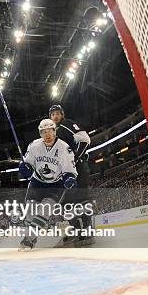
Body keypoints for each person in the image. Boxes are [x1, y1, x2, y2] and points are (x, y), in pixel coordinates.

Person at [18, 118, 77, 250]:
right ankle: (33, 236)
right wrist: (24, 168)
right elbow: (28, 164)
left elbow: (70, 171)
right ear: (40, 134)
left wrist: (69, 178)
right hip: (37, 182)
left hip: (56, 184)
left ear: (55, 131)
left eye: (50, 131)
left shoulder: (64, 148)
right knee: (30, 215)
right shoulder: (34, 145)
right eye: (43, 132)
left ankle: (28, 240)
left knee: (44, 209)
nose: (47, 134)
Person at [48, 104, 94, 246]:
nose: (55, 116)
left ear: (62, 115)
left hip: (78, 169)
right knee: (66, 203)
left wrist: (75, 159)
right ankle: (76, 230)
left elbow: (84, 139)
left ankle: (87, 231)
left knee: (82, 199)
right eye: (52, 114)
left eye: (57, 113)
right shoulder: (52, 134)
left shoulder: (67, 125)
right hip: (65, 173)